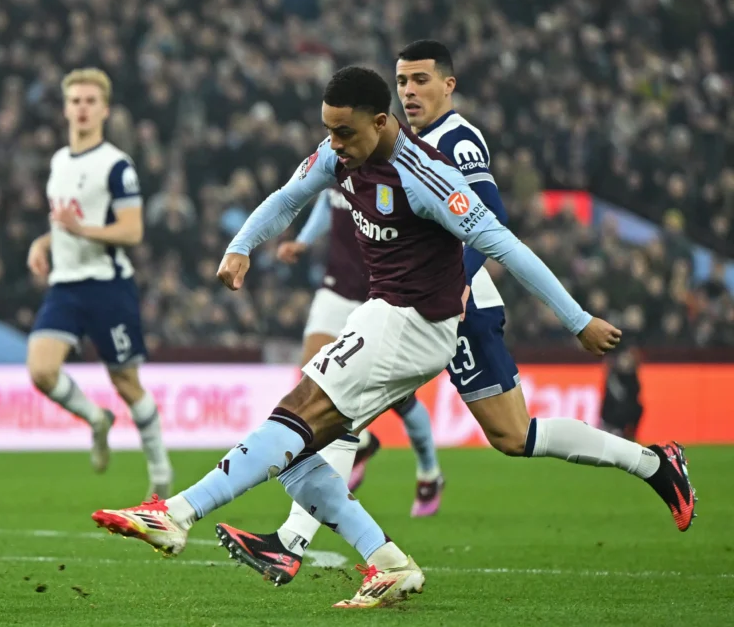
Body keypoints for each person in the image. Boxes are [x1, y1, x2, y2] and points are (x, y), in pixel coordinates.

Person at [92, 66, 649, 609]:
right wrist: (240, 246)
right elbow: (287, 198)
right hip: (382, 315)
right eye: (328, 129)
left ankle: (177, 514)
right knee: (297, 453)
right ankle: (388, 562)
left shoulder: (426, 177)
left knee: (295, 416)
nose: (334, 143)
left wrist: (577, 320)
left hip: (415, 324)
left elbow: (505, 244)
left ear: (381, 122)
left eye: (344, 131)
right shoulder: (339, 155)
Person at [215, 41, 698, 588]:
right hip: (408, 308)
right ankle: (294, 542)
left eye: (421, 80)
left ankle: (653, 464)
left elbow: (491, 223)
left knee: (511, 435)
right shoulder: (380, 143)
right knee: (339, 410)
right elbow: (306, 195)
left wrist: (550, 310)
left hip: (455, 309)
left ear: (449, 85)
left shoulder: (455, 141)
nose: (409, 91)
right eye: (402, 81)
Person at [26, 68, 172, 498]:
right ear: (65, 108)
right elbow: (63, 223)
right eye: (75, 101)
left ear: (105, 110)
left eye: (91, 101)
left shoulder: (116, 166)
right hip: (66, 286)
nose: (82, 109)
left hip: (108, 287)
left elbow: (132, 231)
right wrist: (43, 242)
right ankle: (95, 418)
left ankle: (160, 473)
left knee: (126, 383)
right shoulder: (58, 162)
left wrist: (80, 230)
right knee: (41, 370)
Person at [275, 172, 444, 516]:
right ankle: (361, 442)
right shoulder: (336, 161)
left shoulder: (396, 170)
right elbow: (329, 202)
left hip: (381, 293)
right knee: (312, 376)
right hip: (337, 288)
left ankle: (429, 472)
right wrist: (304, 241)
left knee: (400, 398)